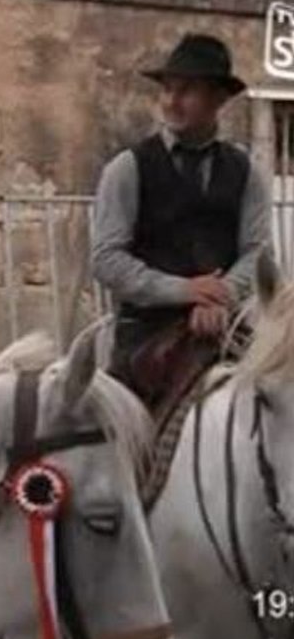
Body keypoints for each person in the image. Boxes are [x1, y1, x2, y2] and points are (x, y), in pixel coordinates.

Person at [92, 33, 270, 415]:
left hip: (226, 329)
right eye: (168, 89)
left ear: (218, 99)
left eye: (187, 90)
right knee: (126, 437)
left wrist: (220, 295)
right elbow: (107, 259)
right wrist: (185, 291)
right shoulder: (128, 169)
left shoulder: (247, 171)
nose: (171, 101)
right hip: (146, 334)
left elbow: (257, 252)